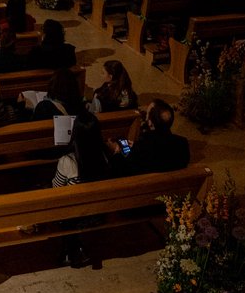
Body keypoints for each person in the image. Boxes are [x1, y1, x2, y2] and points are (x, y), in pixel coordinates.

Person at [52, 110, 112, 268]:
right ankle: (77, 248)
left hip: (75, 217)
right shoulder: (105, 155)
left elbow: (56, 190)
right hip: (99, 211)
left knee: (64, 204)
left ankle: (72, 249)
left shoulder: (68, 161)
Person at [109, 99, 190, 177]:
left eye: (147, 114)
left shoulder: (142, 149)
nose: (146, 118)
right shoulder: (182, 144)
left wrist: (116, 152)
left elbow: (122, 170)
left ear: (151, 123)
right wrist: (136, 146)